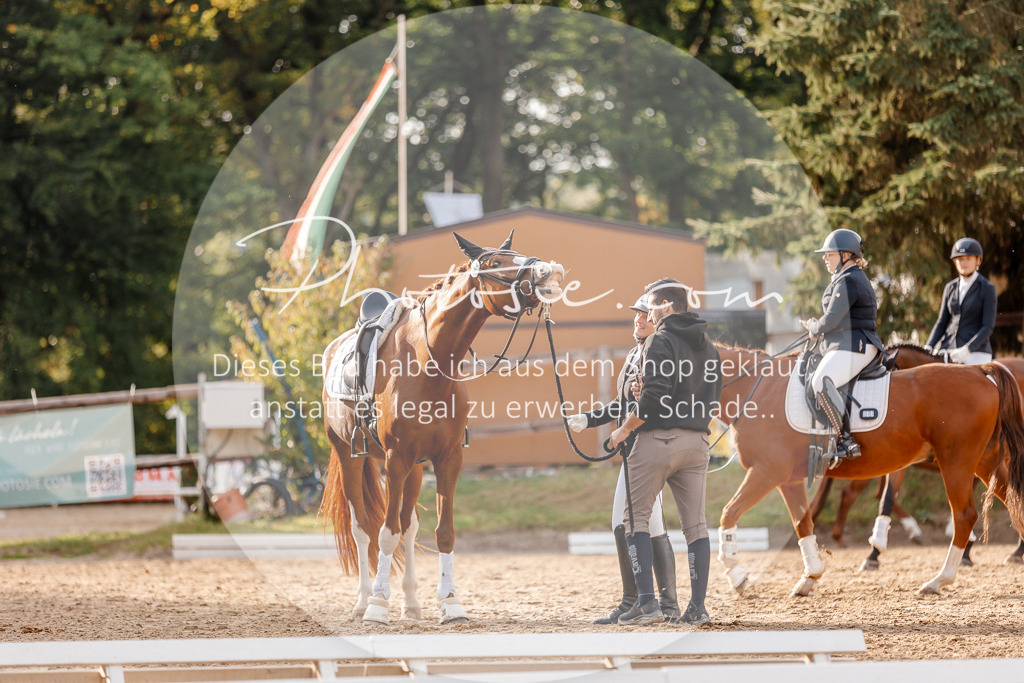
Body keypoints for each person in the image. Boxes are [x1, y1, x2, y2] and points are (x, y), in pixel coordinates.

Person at [606, 278, 722, 626]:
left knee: (635, 518)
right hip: (698, 443)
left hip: (659, 442)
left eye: (651, 304)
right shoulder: (710, 348)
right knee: (696, 527)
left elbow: (655, 399)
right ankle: (697, 608)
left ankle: (647, 603)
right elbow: (708, 396)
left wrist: (624, 430)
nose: (648, 310)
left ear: (667, 307)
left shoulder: (660, 340)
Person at [566, 296, 680, 625]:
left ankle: (641, 601)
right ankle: (658, 603)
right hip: (633, 450)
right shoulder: (634, 354)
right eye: (637, 314)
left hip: (648, 449)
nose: (639, 319)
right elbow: (620, 404)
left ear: (658, 320)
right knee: (649, 524)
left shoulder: (657, 354)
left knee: (626, 522)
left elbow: (654, 403)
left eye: (646, 315)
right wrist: (587, 419)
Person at [800, 228, 884, 462]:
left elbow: (831, 320)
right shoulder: (845, 278)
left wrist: (814, 327)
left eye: (830, 254)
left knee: (820, 382)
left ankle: (845, 440)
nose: (824, 258)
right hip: (846, 344)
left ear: (846, 254)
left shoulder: (850, 280)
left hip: (856, 345)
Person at [924, 237, 997, 365]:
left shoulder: (987, 288)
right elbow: (941, 323)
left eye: (968, 259)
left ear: (978, 260)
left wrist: (967, 350)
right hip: (948, 350)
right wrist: (928, 347)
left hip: (976, 353)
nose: (964, 263)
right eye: (960, 259)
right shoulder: (950, 288)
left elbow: (988, 327)